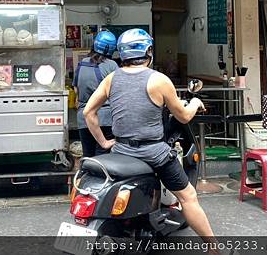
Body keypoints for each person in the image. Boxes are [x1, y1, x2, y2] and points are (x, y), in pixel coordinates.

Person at [84, 28, 215, 239]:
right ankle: (215, 249)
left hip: (121, 150)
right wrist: (195, 102)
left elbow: (88, 112)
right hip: (153, 153)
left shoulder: (112, 78)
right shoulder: (159, 80)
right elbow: (182, 116)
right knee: (189, 196)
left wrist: (105, 142)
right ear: (148, 51)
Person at [73, 30, 118, 158]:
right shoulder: (112, 65)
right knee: (102, 159)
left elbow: (77, 91)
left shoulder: (81, 64)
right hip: (104, 119)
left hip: (84, 120)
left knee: (88, 157)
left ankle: (84, 177)